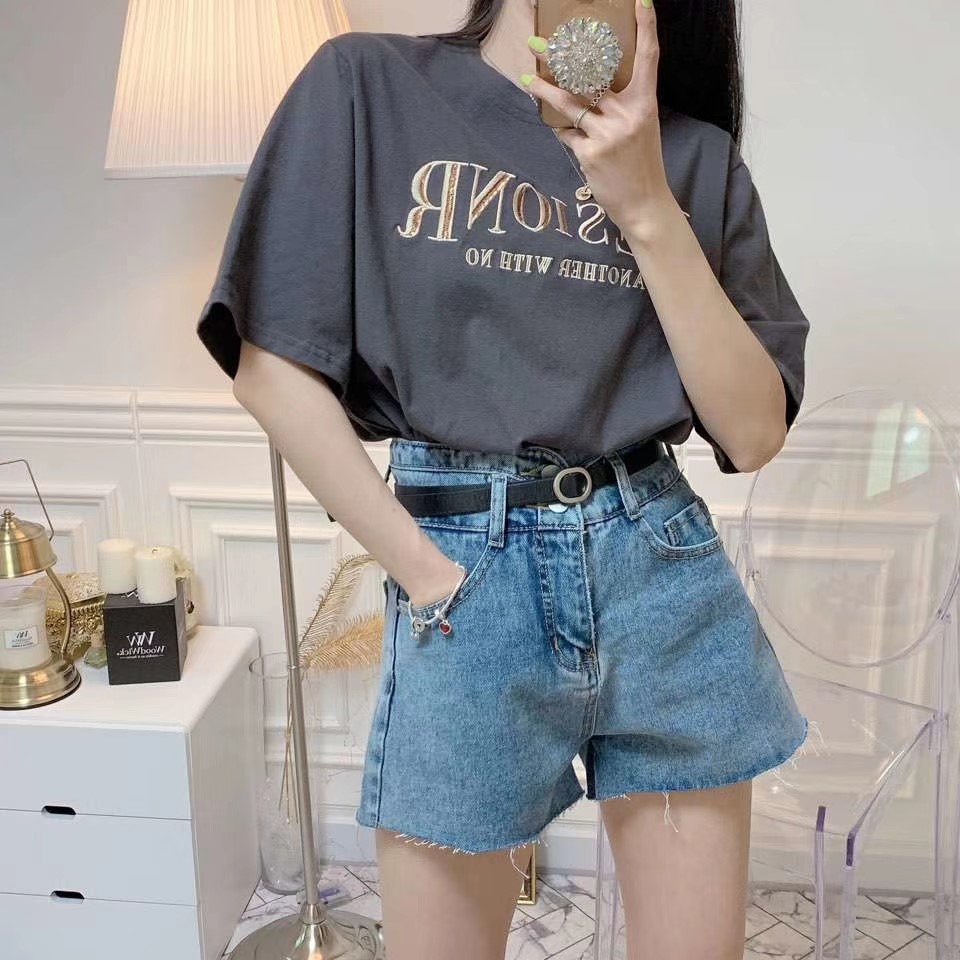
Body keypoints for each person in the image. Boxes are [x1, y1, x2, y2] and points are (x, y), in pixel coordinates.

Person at [196, 0, 811, 956]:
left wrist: (648, 204)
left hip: (659, 569)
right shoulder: (368, 86)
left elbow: (754, 429)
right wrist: (428, 574)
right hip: (466, 576)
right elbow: (271, 369)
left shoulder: (693, 154)